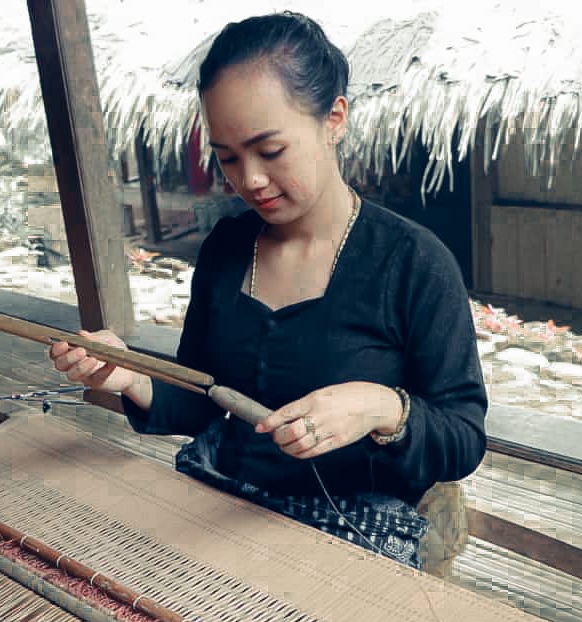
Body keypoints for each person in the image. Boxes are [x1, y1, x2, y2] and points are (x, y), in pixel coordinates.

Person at [47, 12, 487, 570]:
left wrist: (382, 407)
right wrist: (132, 375)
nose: (249, 179)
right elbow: (206, 395)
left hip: (352, 530)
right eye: (228, 157)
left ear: (334, 119)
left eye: (270, 151)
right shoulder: (229, 248)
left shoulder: (414, 263)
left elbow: (462, 437)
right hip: (224, 498)